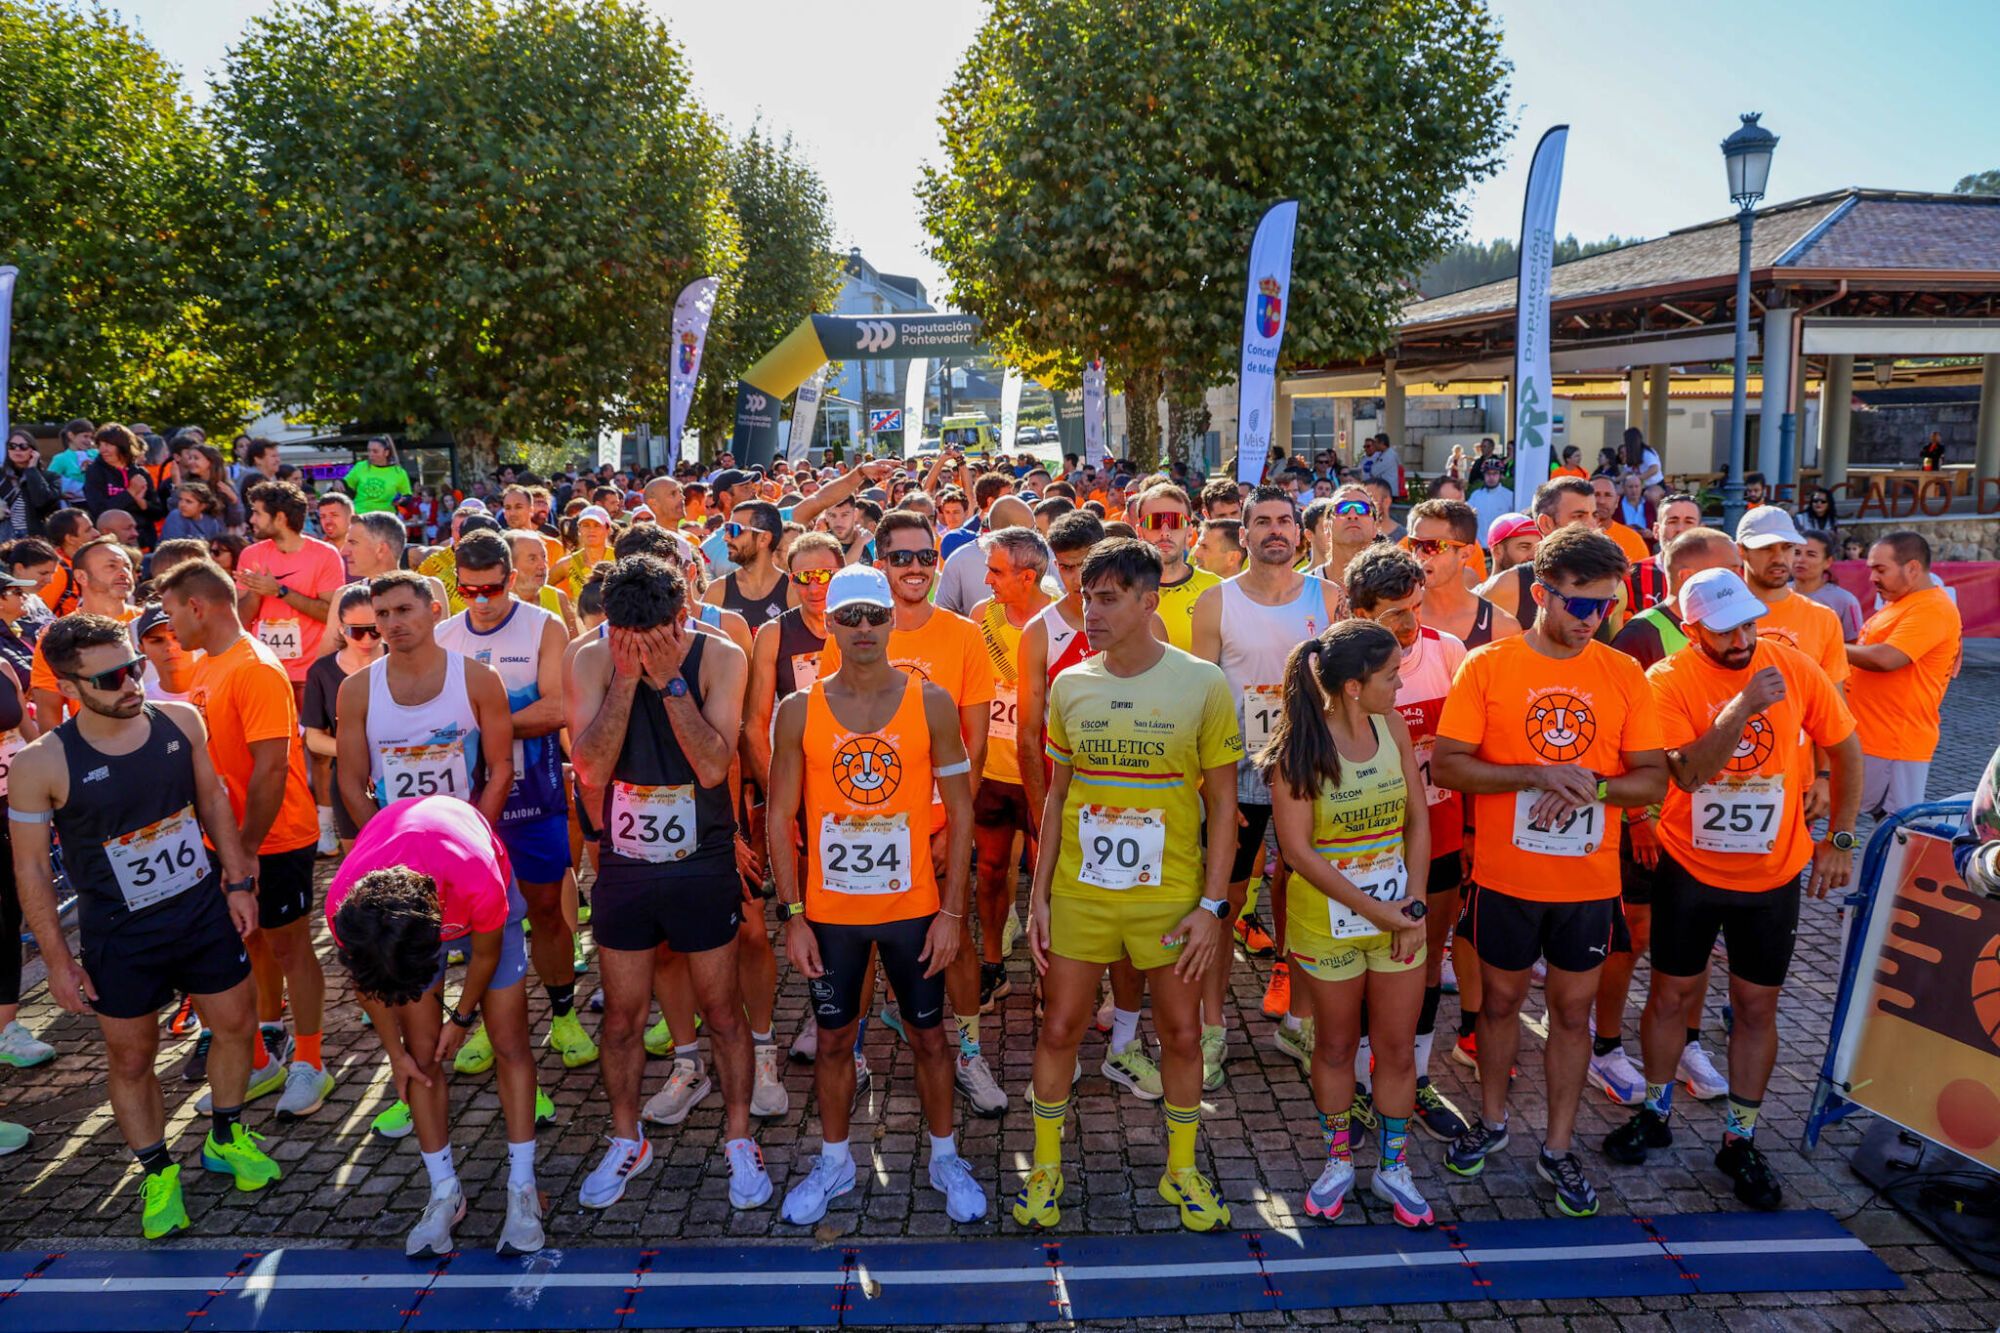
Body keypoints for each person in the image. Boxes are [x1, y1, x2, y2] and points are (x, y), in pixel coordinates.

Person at [9, 614, 278, 1235]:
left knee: (236, 1025)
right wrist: (56, 960)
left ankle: (227, 1134)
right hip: (120, 934)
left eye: (136, 666)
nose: (133, 683)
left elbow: (210, 799)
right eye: (112, 678)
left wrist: (237, 880)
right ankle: (157, 1172)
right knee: (132, 1059)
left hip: (201, 910)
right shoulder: (41, 764)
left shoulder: (180, 721)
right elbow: (31, 872)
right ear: (73, 686)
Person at [1604, 568, 1861, 1211]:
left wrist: (1841, 839)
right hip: (1690, 867)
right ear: (1692, 631)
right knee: (1670, 997)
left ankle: (1740, 1138)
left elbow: (1848, 748)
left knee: (1754, 1007)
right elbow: (1685, 776)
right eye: (1726, 630)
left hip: (1772, 874)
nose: (1744, 638)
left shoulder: (1793, 665)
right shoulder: (1666, 680)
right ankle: (1656, 1112)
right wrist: (1744, 705)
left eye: (1749, 622)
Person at [1432, 526, 1668, 1218]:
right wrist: (1535, 772)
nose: (1595, 620)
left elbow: (1650, 778)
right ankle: (1496, 1120)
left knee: (1571, 1015)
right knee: (1498, 1006)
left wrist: (1592, 786)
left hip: (1589, 888)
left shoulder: (1623, 673)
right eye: (1580, 605)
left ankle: (1558, 1146)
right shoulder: (1488, 667)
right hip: (1507, 880)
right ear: (1540, 593)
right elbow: (1447, 764)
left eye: (1607, 606)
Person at [1017, 538, 1241, 1233]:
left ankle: (1180, 1168)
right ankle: (1046, 1168)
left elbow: (1226, 806)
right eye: (1086, 595)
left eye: (1108, 596)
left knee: (1179, 1033)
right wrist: (1039, 896)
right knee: (1059, 1027)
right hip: (1082, 891)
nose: (1091, 610)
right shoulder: (1070, 684)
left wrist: (1212, 905)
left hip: (1170, 897)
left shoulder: (1202, 683)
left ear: (1150, 602)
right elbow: (1057, 798)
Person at [768, 564, 987, 1226]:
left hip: (913, 909)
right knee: (834, 1042)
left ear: (892, 618)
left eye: (875, 615)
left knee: (929, 1036)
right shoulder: (798, 709)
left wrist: (952, 912)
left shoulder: (932, 701)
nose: (864, 628)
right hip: (831, 915)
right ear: (828, 623)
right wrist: (793, 916)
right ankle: (835, 1161)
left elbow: (961, 809)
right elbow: (780, 816)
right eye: (849, 616)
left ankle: (945, 1156)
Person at [566, 555, 772, 1212]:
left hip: (702, 856)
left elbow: (715, 767)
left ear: (683, 617)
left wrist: (670, 683)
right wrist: (628, 679)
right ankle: (627, 1138)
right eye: (626, 636)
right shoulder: (592, 658)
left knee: (722, 1011)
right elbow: (591, 769)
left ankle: (739, 1137)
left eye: (658, 634)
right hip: (625, 862)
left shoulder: (720, 656)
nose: (643, 647)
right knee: (623, 1017)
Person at [813, 511, 1000, 1113]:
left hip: (941, 824)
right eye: (901, 557)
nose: (915, 567)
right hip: (865, 824)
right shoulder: (845, 628)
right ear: (881, 562)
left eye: (926, 557)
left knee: (958, 941)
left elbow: (973, 745)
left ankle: (970, 1053)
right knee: (862, 943)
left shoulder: (963, 635)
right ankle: (858, 1047)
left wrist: (953, 830)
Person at [1263, 618, 1433, 1226]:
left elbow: (1417, 819)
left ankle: (1393, 1167)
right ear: (1356, 685)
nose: (1400, 685)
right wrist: (1378, 910)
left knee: (1395, 1049)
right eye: (1391, 675)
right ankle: (1338, 1160)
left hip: (1397, 920)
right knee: (1334, 1047)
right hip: (1328, 924)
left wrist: (1412, 902)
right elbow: (1299, 852)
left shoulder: (1391, 727)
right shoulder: (1300, 750)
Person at [327, 796, 546, 1256]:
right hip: (406, 911)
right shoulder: (346, 905)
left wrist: (462, 1017)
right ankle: (445, 1190)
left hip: (472, 893)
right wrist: (395, 1053)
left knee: (509, 1042)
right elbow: (371, 979)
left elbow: (485, 955)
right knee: (421, 1057)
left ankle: (522, 1187)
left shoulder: (475, 874)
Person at [160, 560, 334, 1119]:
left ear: (197, 606)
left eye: (169, 615)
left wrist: (248, 850)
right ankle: (262, 1058)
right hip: (228, 840)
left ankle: (311, 1062)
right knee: (248, 943)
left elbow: (272, 769)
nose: (168, 630)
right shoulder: (205, 665)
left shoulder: (254, 667)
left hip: (272, 838)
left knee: (289, 946)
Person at [1191, 485, 1342, 1084]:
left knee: (1306, 900)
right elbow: (1203, 692)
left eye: (1285, 521)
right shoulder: (1216, 603)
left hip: (1308, 772)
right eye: (1263, 522)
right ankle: (1210, 1031)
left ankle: (1298, 1023)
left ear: (1301, 534)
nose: (1275, 530)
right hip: (1237, 775)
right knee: (1219, 903)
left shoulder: (1329, 597)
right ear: (1244, 535)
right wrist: (1206, 775)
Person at [433, 533, 596, 1076]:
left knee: (547, 910)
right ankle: (486, 1022)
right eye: (470, 590)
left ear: (511, 578)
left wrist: (482, 728)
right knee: (480, 923)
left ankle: (563, 1015)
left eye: (494, 588)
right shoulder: (444, 636)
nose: (482, 600)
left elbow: (557, 709)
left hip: (535, 798)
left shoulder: (543, 625)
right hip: (469, 806)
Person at [1595, 527, 1744, 1107]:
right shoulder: (1641, 635)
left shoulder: (1743, 633)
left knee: (1696, 938)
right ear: (1688, 582)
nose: (1740, 575)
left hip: (1705, 820)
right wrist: (1635, 817)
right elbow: (1615, 737)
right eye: (1728, 567)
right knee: (1629, 933)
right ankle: (1606, 1045)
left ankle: (1686, 1041)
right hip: (1650, 822)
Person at [1342, 545, 1474, 1145]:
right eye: (1395, 614)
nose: (1410, 624)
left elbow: (1473, 752)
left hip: (1438, 833)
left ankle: (1416, 1076)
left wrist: (1471, 833)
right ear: (1357, 612)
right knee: (1361, 967)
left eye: (1416, 608)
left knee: (1423, 958)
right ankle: (1363, 1081)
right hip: (1361, 841)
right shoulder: (1333, 663)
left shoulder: (1448, 652)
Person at [334, 569, 515, 832]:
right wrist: (386, 841)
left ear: (435, 611)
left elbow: (502, 769)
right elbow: (351, 783)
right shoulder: (355, 690)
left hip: (464, 837)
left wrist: (475, 836)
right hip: (394, 843)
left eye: (404, 609)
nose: (393, 623)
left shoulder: (479, 679)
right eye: (383, 614)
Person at [967, 526, 1053, 1016]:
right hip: (994, 772)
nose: (987, 579)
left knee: (1048, 879)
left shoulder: (1062, 617)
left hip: (1042, 774)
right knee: (991, 872)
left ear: (1027, 575)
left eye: (996, 571)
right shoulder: (983, 616)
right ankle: (993, 965)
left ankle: (1048, 973)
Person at [1846, 532, 1963, 817]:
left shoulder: (1931, 608)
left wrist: (1825, 645)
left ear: (1912, 568)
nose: (1872, 578)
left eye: (1880, 569)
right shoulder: (1899, 603)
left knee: (1894, 836)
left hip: (1895, 745)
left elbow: (1888, 658)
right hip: (1873, 740)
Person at [236, 481, 347, 703]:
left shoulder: (325, 555)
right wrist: (257, 590)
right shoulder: (250, 554)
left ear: (279, 518)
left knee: (312, 738)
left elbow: (330, 614)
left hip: (313, 673)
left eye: (257, 513)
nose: (251, 520)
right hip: (266, 671)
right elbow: (241, 621)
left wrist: (280, 591)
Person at [1735, 507, 1850, 716]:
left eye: (1787, 547)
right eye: (1766, 547)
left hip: (1799, 746)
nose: (1778, 558)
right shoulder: (1719, 615)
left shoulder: (1823, 618)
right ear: (1741, 551)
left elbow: (1833, 709)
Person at [303, 586, 382, 850]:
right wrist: (356, 751)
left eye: (375, 629)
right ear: (341, 629)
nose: (367, 639)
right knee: (357, 856)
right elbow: (313, 738)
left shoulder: (400, 661)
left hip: (399, 770)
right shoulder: (322, 672)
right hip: (349, 776)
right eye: (356, 631)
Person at [0, 659, 48, 1091]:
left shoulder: (2, 667)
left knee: (9, 921)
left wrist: (50, 778)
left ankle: (6, 1027)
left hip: (10, 812)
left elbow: (27, 735)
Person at [30, 535, 139, 722]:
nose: (124, 573)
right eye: (111, 566)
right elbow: (49, 708)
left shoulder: (149, 622)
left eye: (127, 567)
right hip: (97, 744)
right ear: (81, 576)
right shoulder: (57, 634)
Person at [1403, 499, 1518, 649]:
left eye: (1432, 546)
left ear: (1465, 554)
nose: (1419, 554)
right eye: (1414, 543)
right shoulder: (1396, 616)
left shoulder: (1501, 628)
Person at [1137, 484, 1220, 652]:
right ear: (1139, 532)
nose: (1165, 532)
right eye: (1155, 521)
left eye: (1175, 522)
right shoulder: (1122, 593)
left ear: (1190, 532)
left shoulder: (1218, 589)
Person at [707, 501, 794, 633]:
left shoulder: (793, 591)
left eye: (734, 530)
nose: (726, 538)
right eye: (726, 529)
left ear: (763, 539)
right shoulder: (717, 591)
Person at [1796, 530, 1863, 643]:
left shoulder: (1845, 601)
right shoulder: (1776, 594)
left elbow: (1855, 646)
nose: (1800, 560)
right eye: (1796, 553)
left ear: (1827, 562)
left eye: (1811, 554)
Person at [1, 429, 61, 542]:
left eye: (23, 446)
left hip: (34, 537)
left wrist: (32, 469)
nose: (17, 449)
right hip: (4, 536)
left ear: (33, 451)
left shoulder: (51, 477)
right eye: (12, 446)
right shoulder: (1, 477)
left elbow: (42, 502)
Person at [343, 436, 414, 514]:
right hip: (360, 517)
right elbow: (345, 484)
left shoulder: (399, 472)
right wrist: (338, 482)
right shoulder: (360, 466)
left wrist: (402, 501)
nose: (371, 454)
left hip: (386, 518)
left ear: (386, 453)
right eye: (369, 451)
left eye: (375, 451)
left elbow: (407, 496)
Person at [1592, 476, 1652, 567]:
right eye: (1596, 494)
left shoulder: (1633, 541)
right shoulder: (1571, 538)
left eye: (1608, 495)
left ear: (1616, 501)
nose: (1601, 501)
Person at [1467, 457, 1514, 539]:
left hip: (1501, 547)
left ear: (1500, 475)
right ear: (1483, 475)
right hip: (1479, 548)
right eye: (1488, 473)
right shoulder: (1475, 496)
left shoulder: (1510, 496)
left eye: (1495, 473)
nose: (1491, 477)